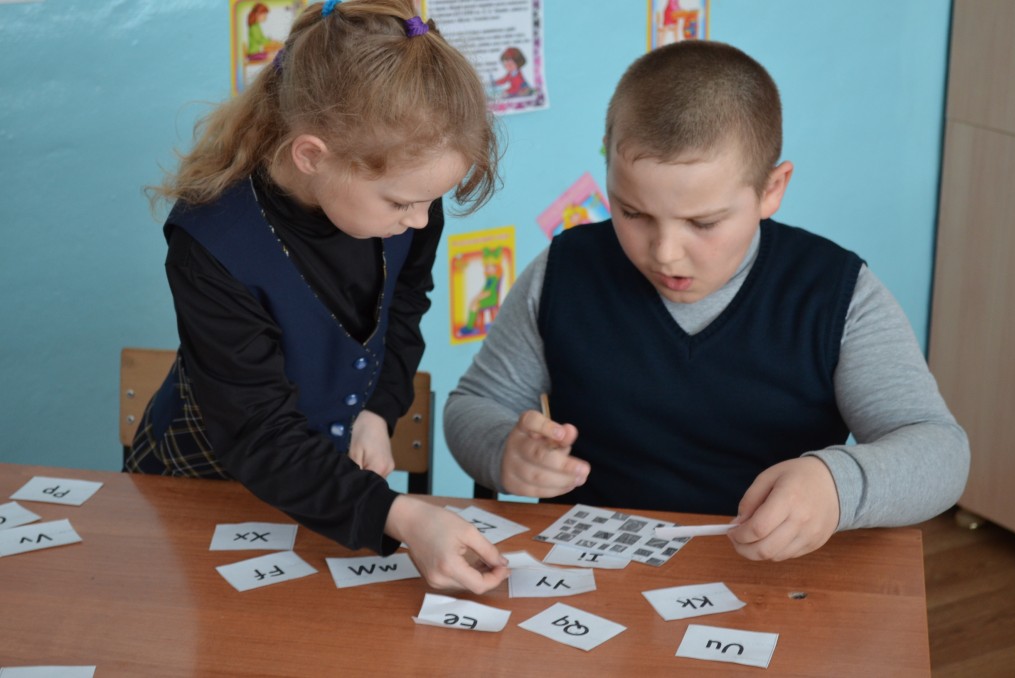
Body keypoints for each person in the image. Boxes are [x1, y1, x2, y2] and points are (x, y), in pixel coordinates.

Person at [444, 40, 969, 563]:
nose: (665, 252)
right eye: (633, 213)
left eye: (703, 223)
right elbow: (474, 405)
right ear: (608, 161)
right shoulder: (564, 271)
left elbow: (941, 453)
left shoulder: (837, 294)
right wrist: (505, 449)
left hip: (773, 572)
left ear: (771, 188)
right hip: (593, 571)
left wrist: (836, 485)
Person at [128, 0, 508, 594]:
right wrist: (400, 515)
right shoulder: (210, 242)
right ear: (311, 155)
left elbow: (404, 307)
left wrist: (377, 411)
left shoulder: (410, 201)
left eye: (431, 201)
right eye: (402, 203)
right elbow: (257, 432)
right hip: (204, 480)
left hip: (329, 489)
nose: (420, 220)